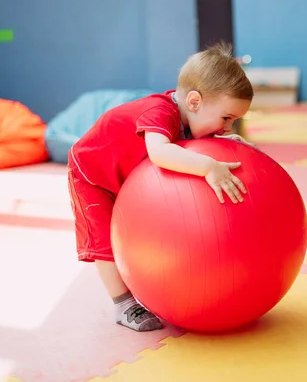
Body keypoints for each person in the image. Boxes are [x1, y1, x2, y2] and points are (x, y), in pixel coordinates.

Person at [67, 42, 254, 332]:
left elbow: (186, 142)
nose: (228, 127)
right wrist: (208, 166)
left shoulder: (189, 115)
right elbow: (161, 153)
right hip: (91, 175)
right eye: (226, 118)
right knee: (105, 246)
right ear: (194, 102)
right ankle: (123, 305)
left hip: (125, 177)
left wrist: (220, 143)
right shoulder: (159, 113)